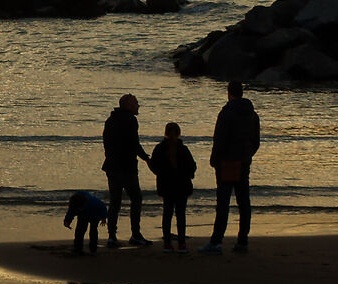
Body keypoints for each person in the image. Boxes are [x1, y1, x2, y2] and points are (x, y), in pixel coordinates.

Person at [202, 81, 261, 254]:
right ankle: (242, 241)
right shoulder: (252, 115)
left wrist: (214, 160)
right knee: (244, 202)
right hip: (243, 161)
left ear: (229, 93)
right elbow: (256, 141)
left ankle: (216, 241)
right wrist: (247, 155)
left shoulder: (226, 113)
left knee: (223, 203)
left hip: (226, 163)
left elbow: (219, 139)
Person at [100, 93, 150, 248]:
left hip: (112, 166)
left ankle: (112, 236)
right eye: (136, 103)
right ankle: (135, 234)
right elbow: (133, 143)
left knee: (115, 201)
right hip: (126, 167)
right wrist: (147, 158)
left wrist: (110, 157)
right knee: (136, 198)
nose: (138, 105)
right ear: (128, 105)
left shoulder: (110, 120)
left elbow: (106, 143)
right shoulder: (130, 120)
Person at [149, 122, 198, 251]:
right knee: (181, 214)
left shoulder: (159, 148)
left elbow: (153, 165)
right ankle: (182, 243)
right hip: (182, 185)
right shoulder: (183, 149)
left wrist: (160, 174)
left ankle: (167, 243)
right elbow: (192, 166)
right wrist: (189, 174)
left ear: (165, 132)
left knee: (167, 214)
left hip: (166, 185)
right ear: (179, 133)